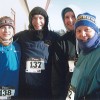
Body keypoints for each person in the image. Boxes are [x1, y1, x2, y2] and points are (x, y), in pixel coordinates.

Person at [14, 6, 60, 100]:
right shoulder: (22, 36)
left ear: (46, 20)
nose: (37, 22)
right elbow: (7, 41)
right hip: (25, 88)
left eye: (40, 18)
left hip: (45, 88)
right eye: (34, 18)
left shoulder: (53, 37)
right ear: (30, 20)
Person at [66, 12, 100, 100]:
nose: (82, 34)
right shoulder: (84, 51)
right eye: (79, 31)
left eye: (87, 29)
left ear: (95, 31)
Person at [51, 6, 81, 100]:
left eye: (73, 16)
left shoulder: (89, 40)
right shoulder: (61, 42)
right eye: (66, 17)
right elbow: (57, 73)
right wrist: (58, 95)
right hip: (68, 93)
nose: (70, 20)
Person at [0, 16, 21, 99]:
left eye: (9, 27)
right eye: (3, 27)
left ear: (13, 31)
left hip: (15, 94)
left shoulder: (18, 47)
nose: (6, 30)